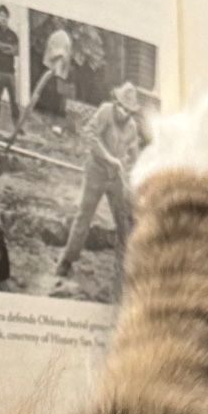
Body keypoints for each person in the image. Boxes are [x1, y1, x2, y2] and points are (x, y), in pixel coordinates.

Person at [55, 80, 145, 285]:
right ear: (117, 102)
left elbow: (134, 155)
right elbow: (89, 134)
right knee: (83, 217)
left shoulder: (131, 127)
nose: (124, 113)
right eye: (122, 107)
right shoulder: (105, 111)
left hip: (115, 179)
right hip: (96, 172)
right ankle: (67, 261)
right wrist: (109, 157)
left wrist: (133, 174)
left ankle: (125, 267)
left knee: (124, 222)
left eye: (129, 110)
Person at [0, 4, 20, 132]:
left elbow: (16, 52)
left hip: (10, 73)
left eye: (5, 16)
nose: (3, 18)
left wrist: (3, 48)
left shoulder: (13, 34)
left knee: (14, 101)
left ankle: (17, 126)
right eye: (1, 15)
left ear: (8, 17)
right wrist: (8, 48)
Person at [40, 19, 73, 121]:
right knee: (52, 92)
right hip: (53, 69)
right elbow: (51, 52)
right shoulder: (56, 36)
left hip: (58, 70)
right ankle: (51, 115)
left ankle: (56, 117)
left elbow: (65, 56)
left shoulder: (63, 37)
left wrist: (62, 70)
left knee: (57, 94)